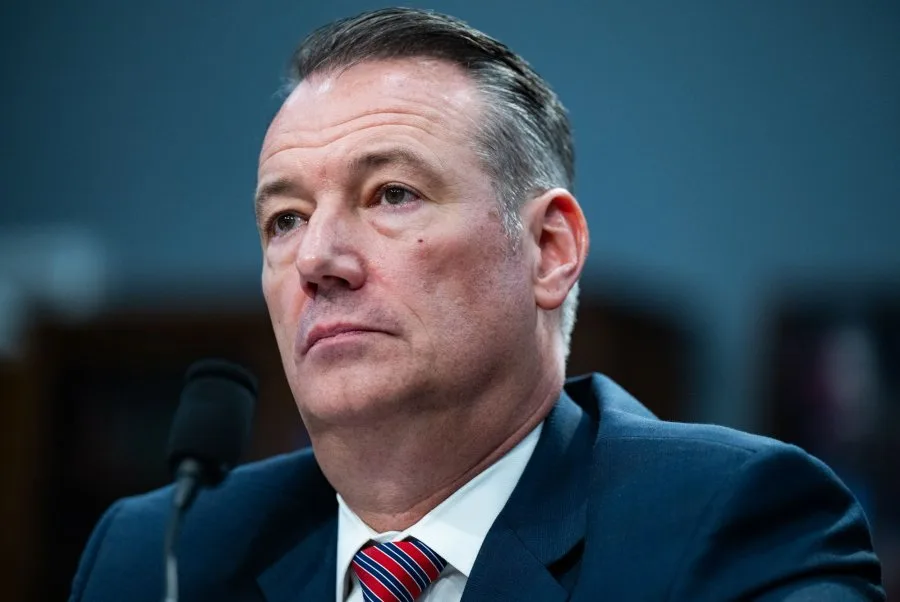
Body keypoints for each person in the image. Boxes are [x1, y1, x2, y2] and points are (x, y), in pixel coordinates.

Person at [69, 7, 884, 601]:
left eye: (391, 194)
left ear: (549, 251)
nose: (316, 259)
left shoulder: (729, 525)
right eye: (285, 218)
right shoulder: (158, 558)